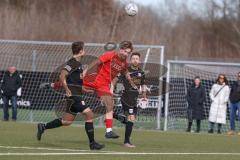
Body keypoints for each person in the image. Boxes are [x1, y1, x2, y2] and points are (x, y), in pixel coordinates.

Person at [37, 41, 104, 150]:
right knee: (90, 115)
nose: (85, 51)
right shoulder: (72, 63)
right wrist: (67, 89)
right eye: (84, 49)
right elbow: (62, 75)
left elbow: (74, 82)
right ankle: (92, 144)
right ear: (81, 51)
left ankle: (43, 126)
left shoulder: (78, 65)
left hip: (76, 95)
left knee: (66, 121)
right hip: (74, 97)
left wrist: (85, 90)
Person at [83, 41, 135, 139]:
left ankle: (109, 131)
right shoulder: (110, 55)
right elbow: (96, 61)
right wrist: (85, 70)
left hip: (103, 85)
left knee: (110, 104)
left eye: (128, 53)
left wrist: (130, 79)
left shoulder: (124, 63)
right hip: (95, 79)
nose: (126, 54)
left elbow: (125, 71)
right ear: (120, 49)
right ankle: (53, 85)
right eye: (124, 51)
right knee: (73, 83)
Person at [114, 52, 147, 147]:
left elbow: (143, 85)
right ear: (130, 60)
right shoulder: (125, 70)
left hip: (135, 99)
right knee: (131, 118)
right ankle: (126, 142)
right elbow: (115, 79)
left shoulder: (141, 72)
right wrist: (112, 88)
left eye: (137, 58)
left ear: (139, 60)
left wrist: (144, 96)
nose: (135, 60)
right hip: (126, 97)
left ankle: (114, 115)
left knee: (130, 121)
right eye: (133, 58)